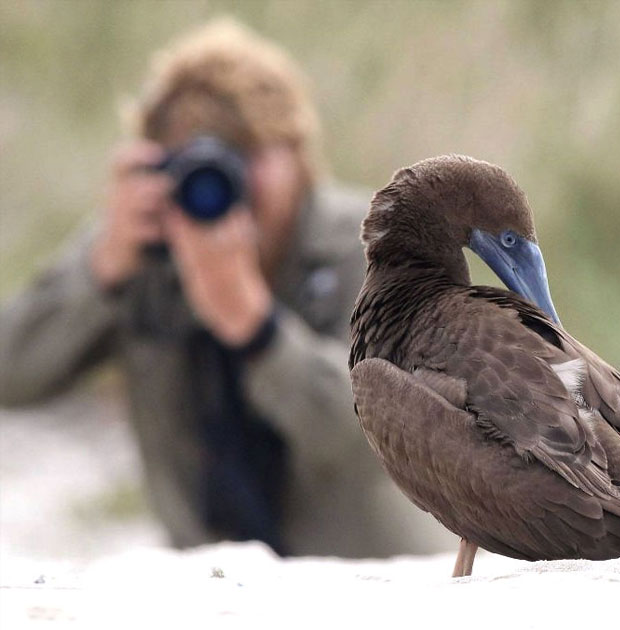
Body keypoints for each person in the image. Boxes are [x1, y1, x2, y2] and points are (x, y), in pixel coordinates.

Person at [0, 18, 449, 557]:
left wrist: (256, 329)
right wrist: (98, 274)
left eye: (244, 156)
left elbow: (393, 440)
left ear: (298, 154)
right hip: (213, 592)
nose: (224, 186)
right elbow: (11, 375)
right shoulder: (137, 250)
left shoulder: (373, 246)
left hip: (375, 582)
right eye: (195, 162)